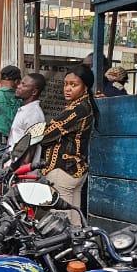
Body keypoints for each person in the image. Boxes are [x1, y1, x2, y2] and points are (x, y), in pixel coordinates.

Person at [39, 63, 98, 217]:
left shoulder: (77, 109)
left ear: (85, 87)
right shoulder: (85, 106)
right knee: (74, 220)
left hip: (63, 170)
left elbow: (45, 135)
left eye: (73, 85)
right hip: (76, 170)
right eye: (65, 84)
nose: (67, 88)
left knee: (60, 221)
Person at [8, 71, 47, 148]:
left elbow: (32, 146)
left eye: (23, 85)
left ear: (34, 92)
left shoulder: (34, 114)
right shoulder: (26, 109)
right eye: (20, 83)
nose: (18, 86)